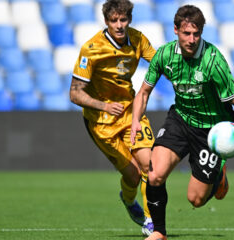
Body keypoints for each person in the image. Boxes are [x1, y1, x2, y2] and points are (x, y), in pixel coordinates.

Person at [130, 5, 234, 240]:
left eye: (196, 34)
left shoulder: (213, 60)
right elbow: (144, 92)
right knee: (155, 174)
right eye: (186, 33)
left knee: (196, 200)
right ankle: (158, 231)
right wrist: (135, 120)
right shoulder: (165, 54)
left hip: (211, 131)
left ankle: (218, 176)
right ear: (176, 30)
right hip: (180, 119)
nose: (191, 39)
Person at [69, 0, 156, 236]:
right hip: (101, 122)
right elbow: (74, 93)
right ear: (106, 21)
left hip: (131, 113)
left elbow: (159, 63)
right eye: (114, 20)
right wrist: (103, 105)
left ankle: (151, 221)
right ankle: (128, 201)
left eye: (123, 20)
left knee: (149, 165)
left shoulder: (138, 39)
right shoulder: (92, 49)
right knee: (133, 175)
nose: (119, 25)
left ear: (129, 19)